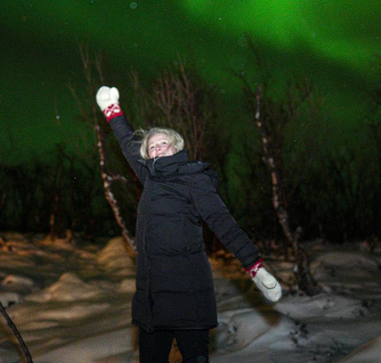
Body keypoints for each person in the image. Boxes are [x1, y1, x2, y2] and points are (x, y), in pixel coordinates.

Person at [96, 86, 282, 363]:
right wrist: (112, 111)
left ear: (176, 147)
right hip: (152, 298)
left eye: (163, 143)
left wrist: (254, 266)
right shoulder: (150, 177)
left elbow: (223, 222)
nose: (157, 147)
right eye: (152, 146)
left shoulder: (194, 179)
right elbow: (126, 142)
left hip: (188, 295)